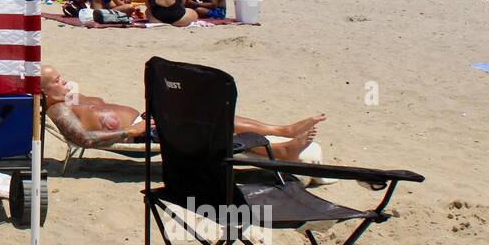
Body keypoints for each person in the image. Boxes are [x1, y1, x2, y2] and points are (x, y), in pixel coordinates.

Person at [41, 65, 324, 160]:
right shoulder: (59, 110)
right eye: (56, 81)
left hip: (146, 120)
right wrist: (133, 131)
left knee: (204, 109)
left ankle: (279, 131)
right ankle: (283, 146)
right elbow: (83, 140)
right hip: (142, 132)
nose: (64, 81)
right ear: (44, 92)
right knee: (206, 123)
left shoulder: (69, 97)